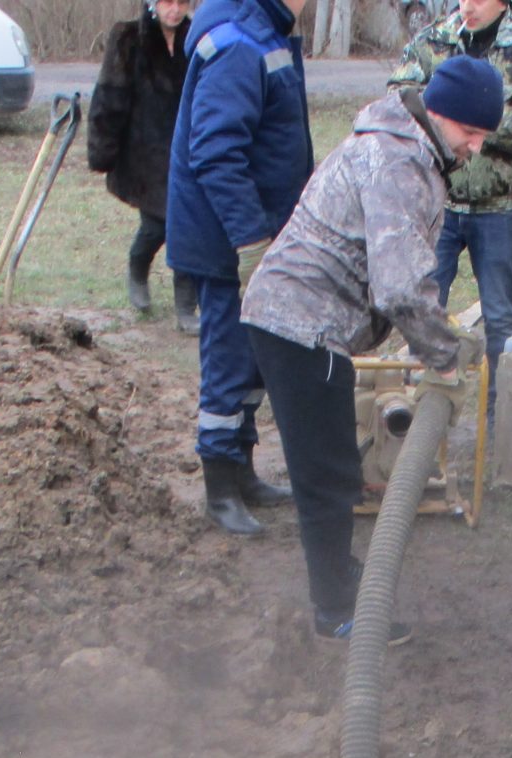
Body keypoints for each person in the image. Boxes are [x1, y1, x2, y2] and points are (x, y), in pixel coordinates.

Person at [240, 57, 504, 643]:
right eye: (471, 133)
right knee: (327, 475)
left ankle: (340, 580)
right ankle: (336, 610)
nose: (476, 149)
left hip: (303, 318)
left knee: (331, 468)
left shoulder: (405, 146)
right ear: (441, 114)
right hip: (300, 321)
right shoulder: (399, 162)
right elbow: (401, 286)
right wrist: (443, 356)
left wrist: (438, 343)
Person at [166, 0, 310, 536]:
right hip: (227, 243)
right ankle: (219, 487)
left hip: (259, 237)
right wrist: (251, 243)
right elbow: (216, 152)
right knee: (229, 363)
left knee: (253, 362)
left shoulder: (266, 30)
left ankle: (244, 469)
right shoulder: (237, 43)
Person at [388, 0, 512, 428]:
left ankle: (498, 422)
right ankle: (412, 413)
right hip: (440, 200)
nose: (468, 7)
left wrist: (458, 118)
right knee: (421, 308)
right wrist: (480, 116)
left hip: (498, 206)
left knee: (500, 318)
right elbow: (400, 99)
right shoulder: (435, 38)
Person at [87, 0, 198, 333]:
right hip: (144, 151)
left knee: (187, 229)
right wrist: (103, 149)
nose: (174, 10)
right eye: (168, 2)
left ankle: (185, 309)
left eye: (182, 3)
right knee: (156, 225)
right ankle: (138, 265)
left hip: (186, 150)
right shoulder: (128, 38)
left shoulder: (196, 38)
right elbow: (110, 96)